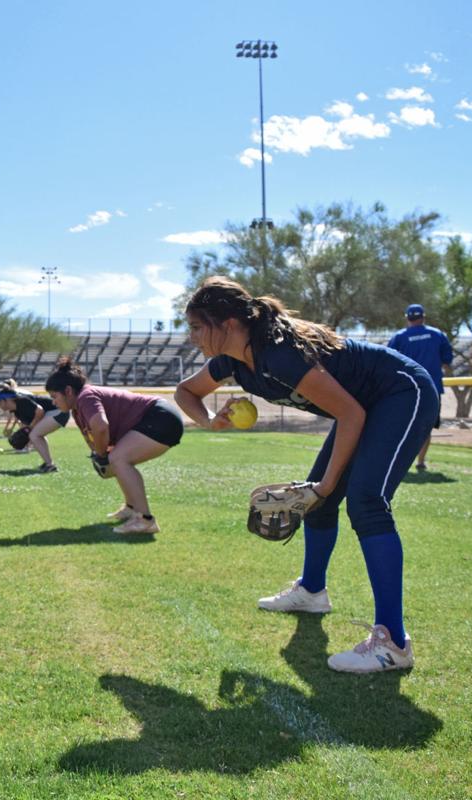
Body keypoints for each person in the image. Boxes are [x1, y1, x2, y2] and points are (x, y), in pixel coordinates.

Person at [175, 277, 435, 674]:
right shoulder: (231, 361)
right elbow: (185, 392)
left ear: (227, 324)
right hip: (363, 405)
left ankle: (393, 643)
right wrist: (212, 422)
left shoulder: (279, 354)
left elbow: (352, 414)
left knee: (365, 502)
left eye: (196, 326)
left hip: (401, 392)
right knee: (318, 503)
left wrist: (325, 486)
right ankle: (312, 591)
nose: (191, 336)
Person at [45, 358, 183, 534]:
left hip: (160, 416)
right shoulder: (78, 408)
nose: (53, 402)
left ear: (68, 391)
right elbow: (94, 438)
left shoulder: (85, 396)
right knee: (117, 457)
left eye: (54, 396)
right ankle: (132, 508)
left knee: (119, 459)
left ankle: (145, 520)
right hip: (159, 416)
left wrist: (102, 455)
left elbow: (101, 426)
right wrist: (99, 453)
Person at [387, 304, 453, 471]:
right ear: (423, 317)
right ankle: (420, 461)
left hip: (405, 389)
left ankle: (399, 461)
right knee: (426, 426)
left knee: (402, 424)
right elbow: (447, 360)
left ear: (407, 318)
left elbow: (387, 361)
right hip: (432, 388)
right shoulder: (437, 335)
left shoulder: (399, 337)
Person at [0, 383, 70, 472]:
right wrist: (25, 433)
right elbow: (28, 425)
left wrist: (30, 429)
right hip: (54, 412)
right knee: (35, 435)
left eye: (0, 402)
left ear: (6, 400)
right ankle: (48, 463)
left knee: (34, 435)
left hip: (59, 411)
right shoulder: (16, 411)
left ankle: (50, 465)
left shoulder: (22, 401)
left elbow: (40, 411)